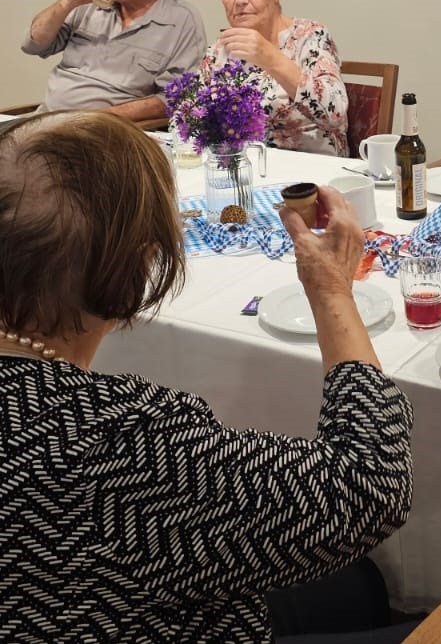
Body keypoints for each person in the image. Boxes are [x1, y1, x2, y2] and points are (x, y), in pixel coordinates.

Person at [0, 112, 413, 642]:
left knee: (357, 582)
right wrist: (332, 289)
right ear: (138, 268)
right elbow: (368, 485)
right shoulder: (118, 440)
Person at [21, 0, 206, 121]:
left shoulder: (181, 20)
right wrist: (69, 1)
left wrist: (98, 119)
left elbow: (175, 98)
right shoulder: (87, 3)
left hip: (109, 133)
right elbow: (33, 44)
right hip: (47, 119)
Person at [201, 0, 349, 155]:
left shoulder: (310, 36)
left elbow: (335, 114)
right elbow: (189, 116)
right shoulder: (221, 49)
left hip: (311, 172)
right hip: (243, 170)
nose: (240, 0)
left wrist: (269, 57)